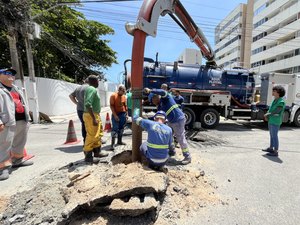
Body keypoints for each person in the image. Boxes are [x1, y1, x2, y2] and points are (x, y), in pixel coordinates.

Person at [144, 87, 192, 164]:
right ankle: (172, 152)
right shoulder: (159, 106)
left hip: (178, 120)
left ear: (155, 97)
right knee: (168, 136)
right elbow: (158, 116)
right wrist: (146, 119)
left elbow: (163, 91)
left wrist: (150, 90)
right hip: (171, 121)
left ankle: (187, 157)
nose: (152, 102)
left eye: (152, 100)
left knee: (180, 138)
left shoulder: (166, 98)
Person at [0, 68, 33, 181]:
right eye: (7, 73)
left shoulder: (16, 88)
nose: (11, 75)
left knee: (20, 141)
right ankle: (3, 167)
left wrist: (28, 117)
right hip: (7, 121)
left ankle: (17, 160)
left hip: (21, 120)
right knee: (4, 144)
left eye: (13, 74)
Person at [83, 75, 108, 163]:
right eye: (98, 81)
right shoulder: (91, 89)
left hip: (95, 114)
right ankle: (88, 157)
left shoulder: (92, 89)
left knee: (98, 134)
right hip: (91, 115)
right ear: (94, 81)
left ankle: (97, 152)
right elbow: (88, 104)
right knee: (92, 135)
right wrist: (93, 118)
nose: (98, 82)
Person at [262, 85, 286, 157]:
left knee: (274, 136)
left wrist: (267, 115)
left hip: (275, 121)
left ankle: (275, 151)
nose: (272, 92)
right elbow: (271, 109)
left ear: (278, 92)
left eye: (274, 91)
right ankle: (270, 148)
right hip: (271, 120)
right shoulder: (275, 100)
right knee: (271, 135)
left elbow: (276, 111)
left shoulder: (281, 101)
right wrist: (268, 116)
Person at [110, 84, 128, 150]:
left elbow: (125, 106)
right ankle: (112, 144)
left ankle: (119, 141)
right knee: (115, 128)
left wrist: (126, 114)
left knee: (121, 128)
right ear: (119, 90)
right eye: (122, 91)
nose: (123, 92)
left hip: (123, 114)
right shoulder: (113, 96)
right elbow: (111, 106)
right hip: (116, 114)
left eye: (124, 91)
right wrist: (115, 115)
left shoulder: (124, 96)